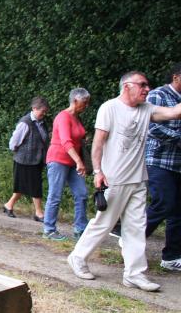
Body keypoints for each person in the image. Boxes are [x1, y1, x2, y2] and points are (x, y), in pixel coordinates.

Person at [68, 71, 181, 292]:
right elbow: (98, 143)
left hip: (139, 179)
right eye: (142, 85)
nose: (147, 89)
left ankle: (134, 274)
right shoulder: (109, 108)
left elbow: (175, 112)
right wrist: (98, 172)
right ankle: (78, 258)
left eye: (147, 85)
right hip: (115, 178)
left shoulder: (146, 109)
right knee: (104, 223)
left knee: (136, 228)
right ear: (127, 86)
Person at [145, 62, 181, 271]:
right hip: (158, 160)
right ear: (176, 77)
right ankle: (133, 238)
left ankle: (171, 257)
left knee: (178, 212)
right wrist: (178, 139)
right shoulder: (158, 95)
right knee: (164, 203)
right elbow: (150, 126)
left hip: (178, 164)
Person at [41, 89, 90, 240]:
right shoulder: (63, 117)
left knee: (81, 194)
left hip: (73, 161)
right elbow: (65, 141)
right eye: (84, 102)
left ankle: (80, 228)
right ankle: (49, 230)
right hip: (58, 159)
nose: (87, 105)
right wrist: (79, 161)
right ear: (75, 101)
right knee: (55, 195)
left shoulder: (76, 118)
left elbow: (78, 138)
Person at [3, 97, 49, 221]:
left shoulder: (42, 122)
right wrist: (23, 151)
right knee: (34, 186)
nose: (44, 114)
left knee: (23, 187)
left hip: (37, 160)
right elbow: (13, 143)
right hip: (24, 160)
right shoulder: (25, 123)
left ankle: (8, 205)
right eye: (42, 111)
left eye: (45, 111)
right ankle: (39, 213)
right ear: (34, 109)